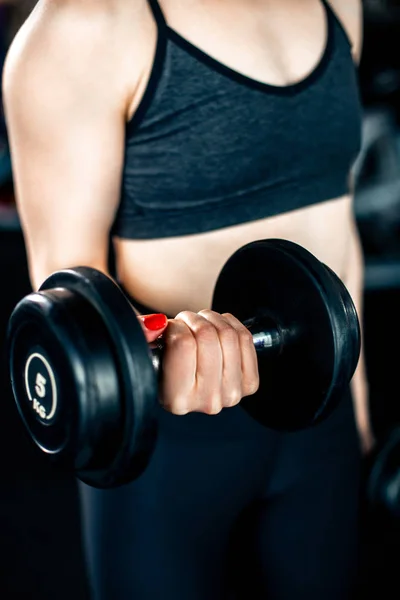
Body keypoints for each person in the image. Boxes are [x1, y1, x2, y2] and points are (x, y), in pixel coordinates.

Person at [3, 0, 374, 598]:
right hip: (165, 444)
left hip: (320, 420)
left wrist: (357, 404)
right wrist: (162, 355)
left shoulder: (339, 5)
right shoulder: (84, 25)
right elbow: (69, 302)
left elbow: (335, 221)